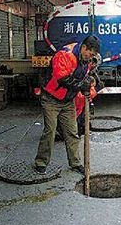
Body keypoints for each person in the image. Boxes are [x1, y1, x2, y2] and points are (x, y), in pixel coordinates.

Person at [34, 35, 100, 175]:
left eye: (93, 55)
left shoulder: (86, 61)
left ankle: (75, 163)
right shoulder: (65, 55)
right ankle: (41, 162)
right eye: (90, 53)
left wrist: (88, 87)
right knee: (50, 131)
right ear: (84, 48)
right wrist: (82, 86)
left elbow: (84, 78)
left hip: (68, 100)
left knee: (72, 132)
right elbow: (63, 79)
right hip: (51, 99)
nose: (91, 57)